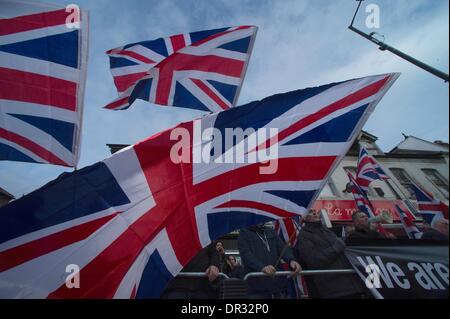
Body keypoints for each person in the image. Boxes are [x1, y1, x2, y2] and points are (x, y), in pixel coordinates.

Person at [295, 209, 369, 299]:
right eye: (310, 212)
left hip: (352, 285)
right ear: (304, 217)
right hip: (335, 290)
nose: (314, 213)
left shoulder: (326, 230)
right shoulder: (303, 236)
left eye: (315, 211)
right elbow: (313, 261)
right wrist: (336, 248)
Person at [238, 223, 302, 299]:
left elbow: (282, 248)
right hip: (257, 288)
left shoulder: (271, 231)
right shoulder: (244, 233)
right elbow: (246, 255)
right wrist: (262, 267)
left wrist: (291, 260)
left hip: (278, 286)